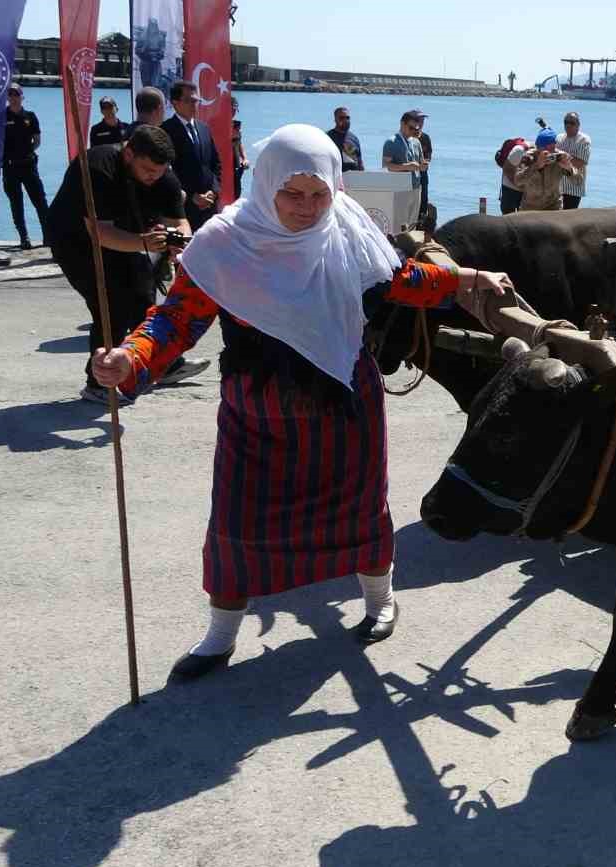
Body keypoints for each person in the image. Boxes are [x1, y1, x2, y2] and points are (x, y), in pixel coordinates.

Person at [88, 125, 516, 677]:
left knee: (360, 508)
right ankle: (219, 636)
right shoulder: (221, 243)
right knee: (237, 521)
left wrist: (470, 279)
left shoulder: (348, 229)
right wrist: (131, 357)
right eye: (292, 193)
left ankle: (380, 599)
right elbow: (176, 317)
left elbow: (400, 279)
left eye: (320, 194)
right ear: (265, 184)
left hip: (344, 403)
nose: (308, 208)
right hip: (256, 409)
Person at [46, 126, 209, 405]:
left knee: (145, 298)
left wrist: (178, 243)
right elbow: (100, 233)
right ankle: (98, 384)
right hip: (77, 241)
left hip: (130, 235)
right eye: (147, 170)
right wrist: (144, 244)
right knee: (109, 304)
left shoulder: (162, 175)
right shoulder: (98, 167)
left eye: (159, 171)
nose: (153, 177)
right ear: (129, 153)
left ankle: (164, 364)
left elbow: (180, 222)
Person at [162, 79, 222, 232]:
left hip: (209, 205)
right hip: (183, 208)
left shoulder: (204, 128)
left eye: (196, 100)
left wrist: (213, 191)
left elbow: (215, 164)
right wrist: (191, 196)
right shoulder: (166, 131)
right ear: (175, 103)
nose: (194, 104)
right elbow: (167, 171)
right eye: (189, 100)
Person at [1, 84, 49, 250]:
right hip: (10, 167)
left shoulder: (30, 116)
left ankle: (48, 237)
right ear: (7, 97)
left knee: (40, 201)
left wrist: (27, 152)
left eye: (17, 94)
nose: (14, 97)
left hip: (28, 165)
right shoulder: (1, 117)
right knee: (16, 203)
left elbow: (37, 141)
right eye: (11, 94)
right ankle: (24, 238)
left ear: (22, 97)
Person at [382, 109, 429, 218]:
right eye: (411, 128)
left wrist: (423, 166)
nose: (413, 131)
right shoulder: (391, 142)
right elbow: (386, 166)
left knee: (412, 221)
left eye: (416, 128)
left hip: (416, 188)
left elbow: (421, 163)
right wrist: (407, 166)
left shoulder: (416, 142)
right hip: (399, 190)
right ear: (402, 124)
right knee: (399, 222)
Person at [515, 128, 572, 212]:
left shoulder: (559, 157)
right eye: (547, 150)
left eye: (553, 148)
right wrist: (536, 166)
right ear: (539, 148)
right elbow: (518, 181)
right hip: (530, 208)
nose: (550, 153)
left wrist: (569, 168)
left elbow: (578, 179)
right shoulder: (528, 158)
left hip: (553, 207)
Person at [558, 111, 592, 209]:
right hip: (558, 188)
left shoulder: (584, 140)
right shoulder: (559, 138)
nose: (568, 125)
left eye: (572, 123)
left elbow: (580, 162)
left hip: (573, 189)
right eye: (566, 122)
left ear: (578, 125)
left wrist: (562, 157)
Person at [326, 106, 363, 172]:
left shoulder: (354, 139)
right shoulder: (327, 137)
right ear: (335, 120)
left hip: (354, 178)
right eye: (341, 118)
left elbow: (360, 163)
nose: (345, 120)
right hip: (335, 177)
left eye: (347, 118)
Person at [230, 95, 248, 201]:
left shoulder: (236, 125)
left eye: (235, 110)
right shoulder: (216, 123)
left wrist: (245, 158)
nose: (233, 113)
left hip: (236, 165)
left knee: (236, 194)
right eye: (231, 110)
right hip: (223, 168)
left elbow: (239, 144)